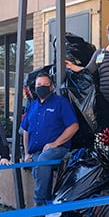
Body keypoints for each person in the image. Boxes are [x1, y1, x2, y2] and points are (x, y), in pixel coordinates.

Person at [21, 72, 79, 206]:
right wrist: (26, 153)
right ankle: (47, 206)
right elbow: (25, 130)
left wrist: (55, 144)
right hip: (36, 152)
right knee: (39, 164)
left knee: (44, 159)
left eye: (45, 84)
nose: (41, 87)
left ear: (52, 86)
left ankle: (40, 204)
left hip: (58, 149)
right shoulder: (33, 105)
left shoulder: (61, 103)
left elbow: (74, 126)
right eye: (38, 84)